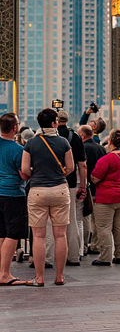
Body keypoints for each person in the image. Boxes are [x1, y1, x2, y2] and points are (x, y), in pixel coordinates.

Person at [22, 108, 74, 286]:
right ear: (54, 123)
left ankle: (39, 277)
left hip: (37, 191)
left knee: (38, 236)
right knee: (60, 235)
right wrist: (58, 175)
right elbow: (71, 167)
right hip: (59, 189)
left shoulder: (31, 144)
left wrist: (37, 174)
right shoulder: (64, 142)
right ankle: (59, 276)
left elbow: (24, 169)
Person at [90, 129, 120, 266]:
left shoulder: (106, 159)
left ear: (110, 142)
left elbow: (95, 177)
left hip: (106, 197)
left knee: (104, 228)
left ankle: (105, 257)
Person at [0, 113, 29, 286]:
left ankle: (1, 270)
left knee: (1, 233)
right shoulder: (18, 150)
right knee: (13, 234)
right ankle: (4, 274)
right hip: (13, 194)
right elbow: (23, 175)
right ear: (15, 128)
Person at [56, 110, 87, 267]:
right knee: (72, 221)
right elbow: (82, 164)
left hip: (52, 182)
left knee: (49, 224)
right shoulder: (75, 137)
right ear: (67, 120)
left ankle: (48, 258)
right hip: (71, 183)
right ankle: (74, 256)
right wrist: (83, 185)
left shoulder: (47, 137)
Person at [80, 124, 105, 255]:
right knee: (97, 220)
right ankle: (96, 245)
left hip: (87, 187)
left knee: (85, 218)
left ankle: (83, 246)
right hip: (99, 188)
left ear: (83, 135)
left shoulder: (82, 148)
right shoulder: (101, 148)